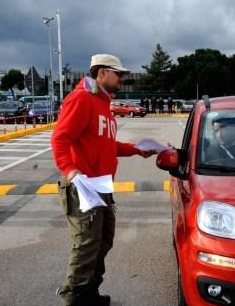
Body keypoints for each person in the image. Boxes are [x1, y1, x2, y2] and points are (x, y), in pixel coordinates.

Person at [51, 54, 154, 306]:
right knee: (86, 246)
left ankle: (89, 293)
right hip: (83, 187)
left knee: (102, 241)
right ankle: (73, 298)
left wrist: (137, 149)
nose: (122, 79)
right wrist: (71, 171)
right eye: (118, 74)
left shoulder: (102, 104)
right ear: (102, 73)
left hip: (101, 187)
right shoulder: (81, 99)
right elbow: (60, 138)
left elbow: (107, 145)